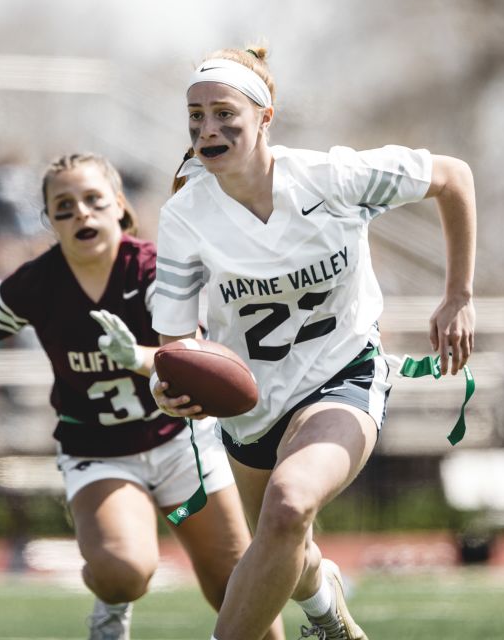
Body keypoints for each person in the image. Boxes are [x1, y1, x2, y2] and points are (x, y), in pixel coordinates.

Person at [151, 46, 477, 640]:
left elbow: (453, 177)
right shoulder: (184, 217)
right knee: (285, 544)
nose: (207, 128)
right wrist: (171, 385)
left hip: (343, 373)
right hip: (250, 410)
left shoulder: (333, 177)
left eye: (224, 113)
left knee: (290, 504)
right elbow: (174, 342)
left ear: (265, 116)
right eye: (195, 116)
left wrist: (458, 296)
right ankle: (328, 613)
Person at [0, 152, 284, 640]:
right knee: (125, 571)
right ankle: (110, 601)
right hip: (99, 451)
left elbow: (189, 353)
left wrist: (141, 357)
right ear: (49, 221)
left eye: (92, 200)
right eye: (63, 207)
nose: (80, 213)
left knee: (244, 600)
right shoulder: (35, 283)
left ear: (119, 207)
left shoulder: (151, 266)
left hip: (180, 444)